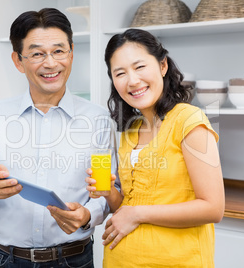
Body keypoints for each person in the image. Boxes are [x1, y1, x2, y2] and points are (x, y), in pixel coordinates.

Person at [0, 8, 117, 268]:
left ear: (71, 53)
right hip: (7, 260)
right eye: (37, 54)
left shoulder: (98, 119)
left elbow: (105, 189)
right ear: (18, 61)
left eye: (58, 51)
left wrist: (88, 214)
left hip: (73, 260)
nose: (51, 63)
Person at [85, 28, 225, 267]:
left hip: (177, 260)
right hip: (121, 260)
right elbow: (128, 205)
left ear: (163, 66)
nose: (132, 80)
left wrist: (137, 214)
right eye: (120, 73)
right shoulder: (130, 130)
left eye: (139, 67)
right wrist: (110, 192)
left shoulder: (189, 120)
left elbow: (213, 208)